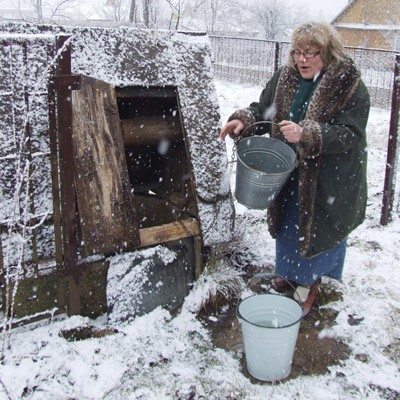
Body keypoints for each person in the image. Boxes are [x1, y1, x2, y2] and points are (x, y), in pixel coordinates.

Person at [220, 21, 370, 317]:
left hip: (330, 178)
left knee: (320, 227)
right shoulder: (285, 76)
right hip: (288, 171)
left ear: (327, 53)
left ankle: (314, 284)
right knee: (290, 225)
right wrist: (245, 120)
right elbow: (264, 108)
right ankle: (289, 275)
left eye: (311, 53)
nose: (301, 59)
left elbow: (351, 134)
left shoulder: (348, 85)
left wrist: (308, 135)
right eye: (297, 52)